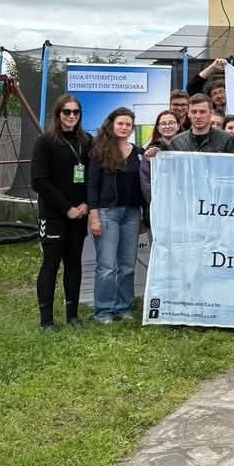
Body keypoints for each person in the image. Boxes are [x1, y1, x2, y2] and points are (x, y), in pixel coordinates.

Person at [31, 94, 91, 332]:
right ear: (58, 114)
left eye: (76, 112)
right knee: (51, 265)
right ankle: (46, 320)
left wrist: (86, 204)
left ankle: (73, 315)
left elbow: (92, 177)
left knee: (74, 263)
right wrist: (67, 209)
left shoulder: (87, 142)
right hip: (55, 215)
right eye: (67, 112)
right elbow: (39, 181)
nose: (71, 117)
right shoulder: (45, 142)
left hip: (80, 214)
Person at [87, 107, 146, 323]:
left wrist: (143, 216)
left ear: (132, 128)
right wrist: (94, 217)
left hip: (132, 214)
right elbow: (92, 187)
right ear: (112, 124)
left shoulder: (138, 152)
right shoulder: (99, 151)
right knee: (107, 266)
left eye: (128, 124)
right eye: (120, 123)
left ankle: (124, 307)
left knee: (128, 265)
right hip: (106, 213)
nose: (124, 127)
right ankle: (103, 311)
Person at [167, 94, 234, 153]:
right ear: (188, 113)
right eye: (194, 112)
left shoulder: (227, 140)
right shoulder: (177, 142)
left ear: (211, 113)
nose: (198, 116)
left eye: (202, 112)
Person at [140, 109, 180, 204]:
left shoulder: (187, 148)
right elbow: (145, 181)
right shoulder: (150, 151)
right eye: (163, 123)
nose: (167, 126)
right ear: (158, 128)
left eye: (171, 123)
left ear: (178, 126)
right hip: (159, 203)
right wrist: (155, 202)